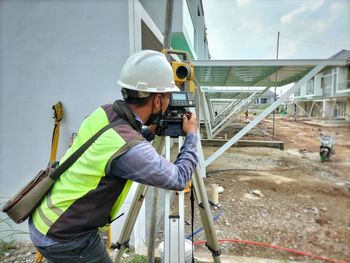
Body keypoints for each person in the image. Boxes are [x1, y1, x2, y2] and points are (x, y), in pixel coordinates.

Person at [29, 50, 198, 263]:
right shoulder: (129, 147)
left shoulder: (105, 112)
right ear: (156, 101)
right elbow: (179, 178)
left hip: (47, 218)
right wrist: (192, 135)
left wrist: (149, 132)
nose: (168, 102)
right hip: (65, 236)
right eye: (167, 96)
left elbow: (115, 141)